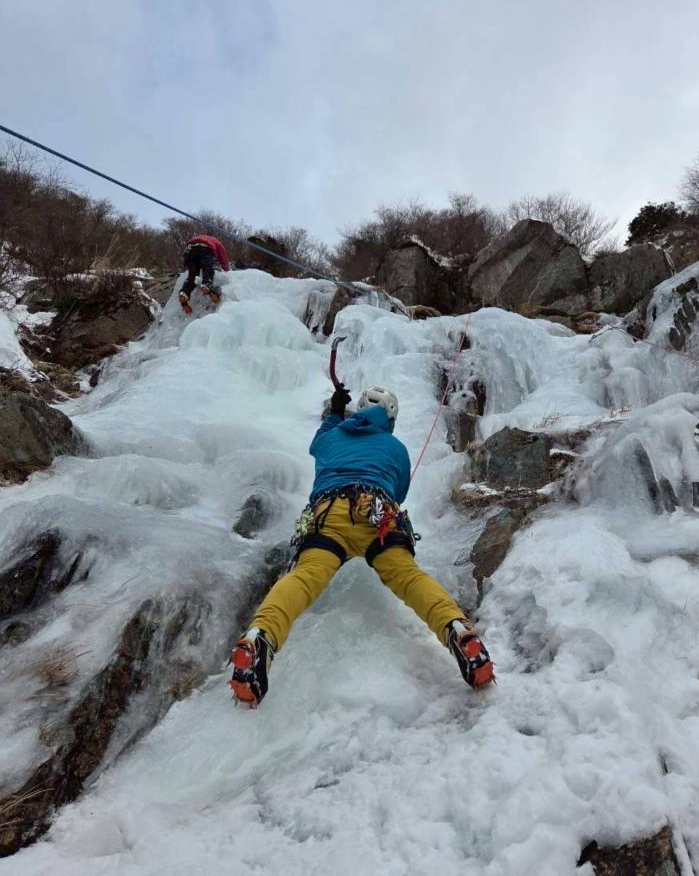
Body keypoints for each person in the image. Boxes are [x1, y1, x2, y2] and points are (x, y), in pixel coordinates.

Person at [229, 384, 496, 707]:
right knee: (409, 578)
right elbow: (398, 492)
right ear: (390, 419)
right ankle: (457, 630)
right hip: (378, 514)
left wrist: (335, 414)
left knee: (304, 577)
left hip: (328, 514)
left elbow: (318, 443)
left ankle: (260, 635)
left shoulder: (332, 436)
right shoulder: (395, 447)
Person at [178, 234, 231, 313]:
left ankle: (184, 292)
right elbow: (223, 257)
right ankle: (206, 283)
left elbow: (189, 244)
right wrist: (227, 269)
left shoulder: (196, 238)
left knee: (192, 276)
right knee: (208, 269)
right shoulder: (215, 241)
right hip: (204, 249)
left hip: (189, 251)